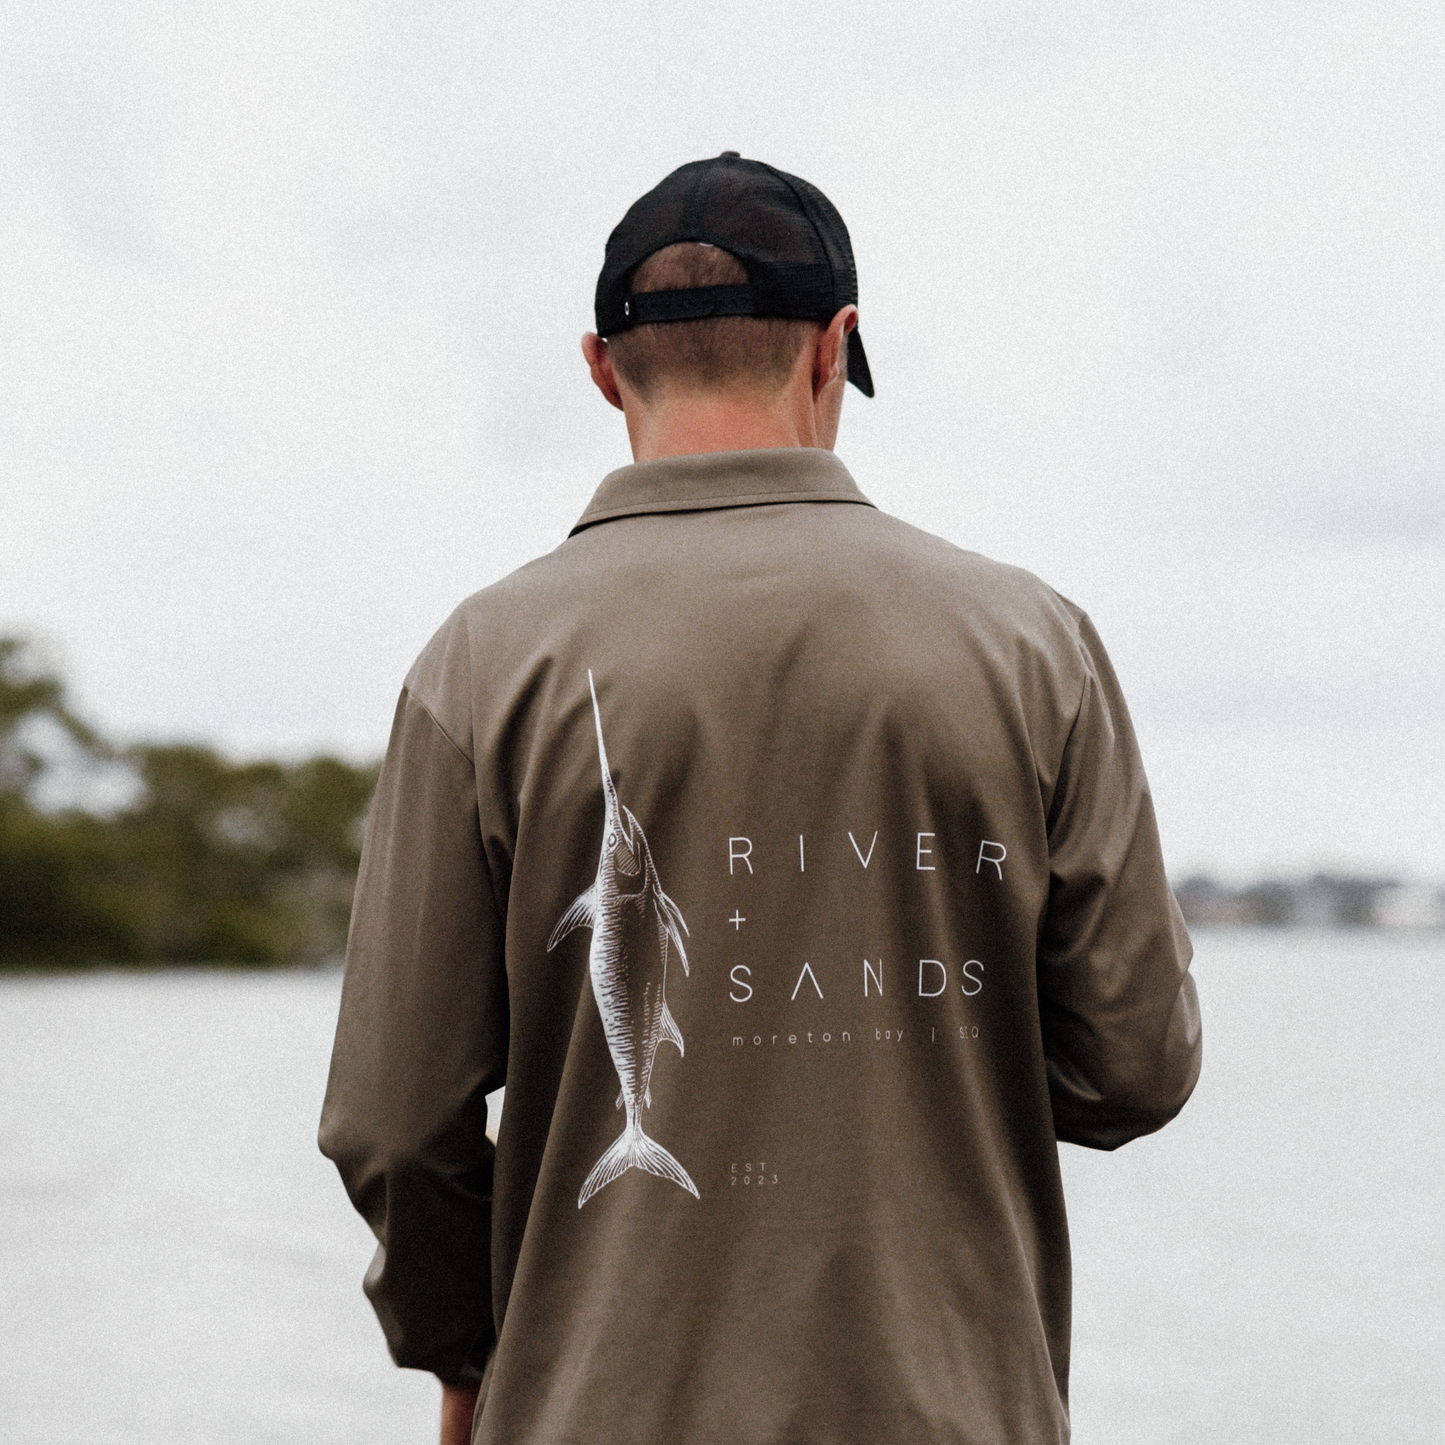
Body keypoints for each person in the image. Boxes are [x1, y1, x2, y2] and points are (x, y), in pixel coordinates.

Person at [319, 151, 1201, 1445]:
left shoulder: (481, 664)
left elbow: (392, 1124)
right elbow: (1134, 1067)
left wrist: (462, 1354)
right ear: (834, 350)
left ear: (602, 367)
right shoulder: (1032, 646)